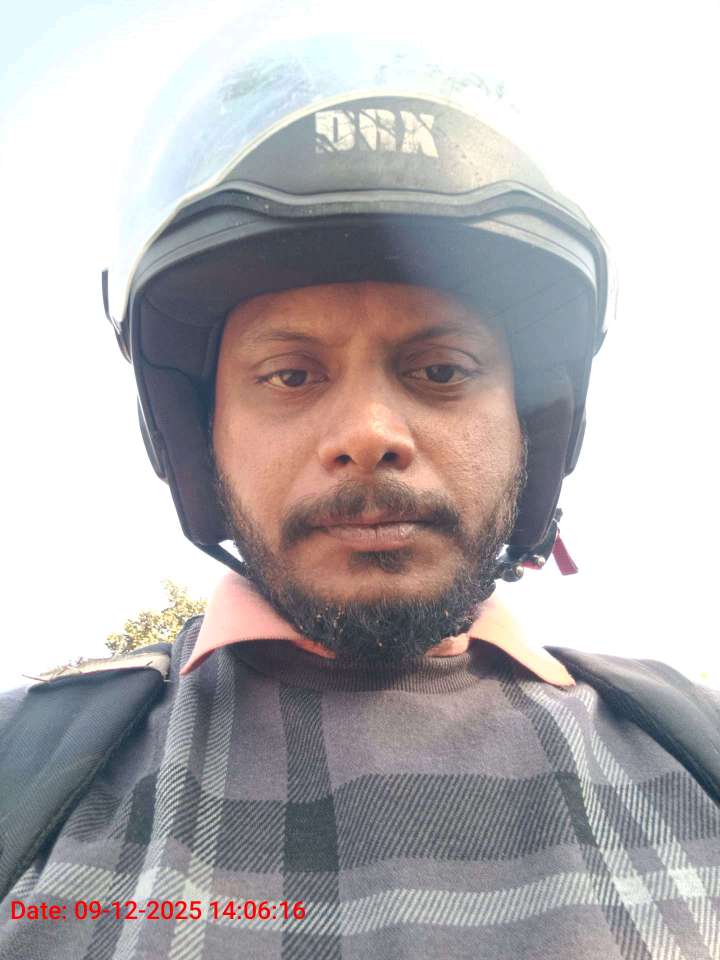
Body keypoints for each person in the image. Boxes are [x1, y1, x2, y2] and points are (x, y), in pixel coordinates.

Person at [1, 19, 719, 960]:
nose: (370, 435)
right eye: (291, 375)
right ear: (198, 435)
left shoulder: (696, 749)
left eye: (441, 370)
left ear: (531, 426)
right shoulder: (24, 771)